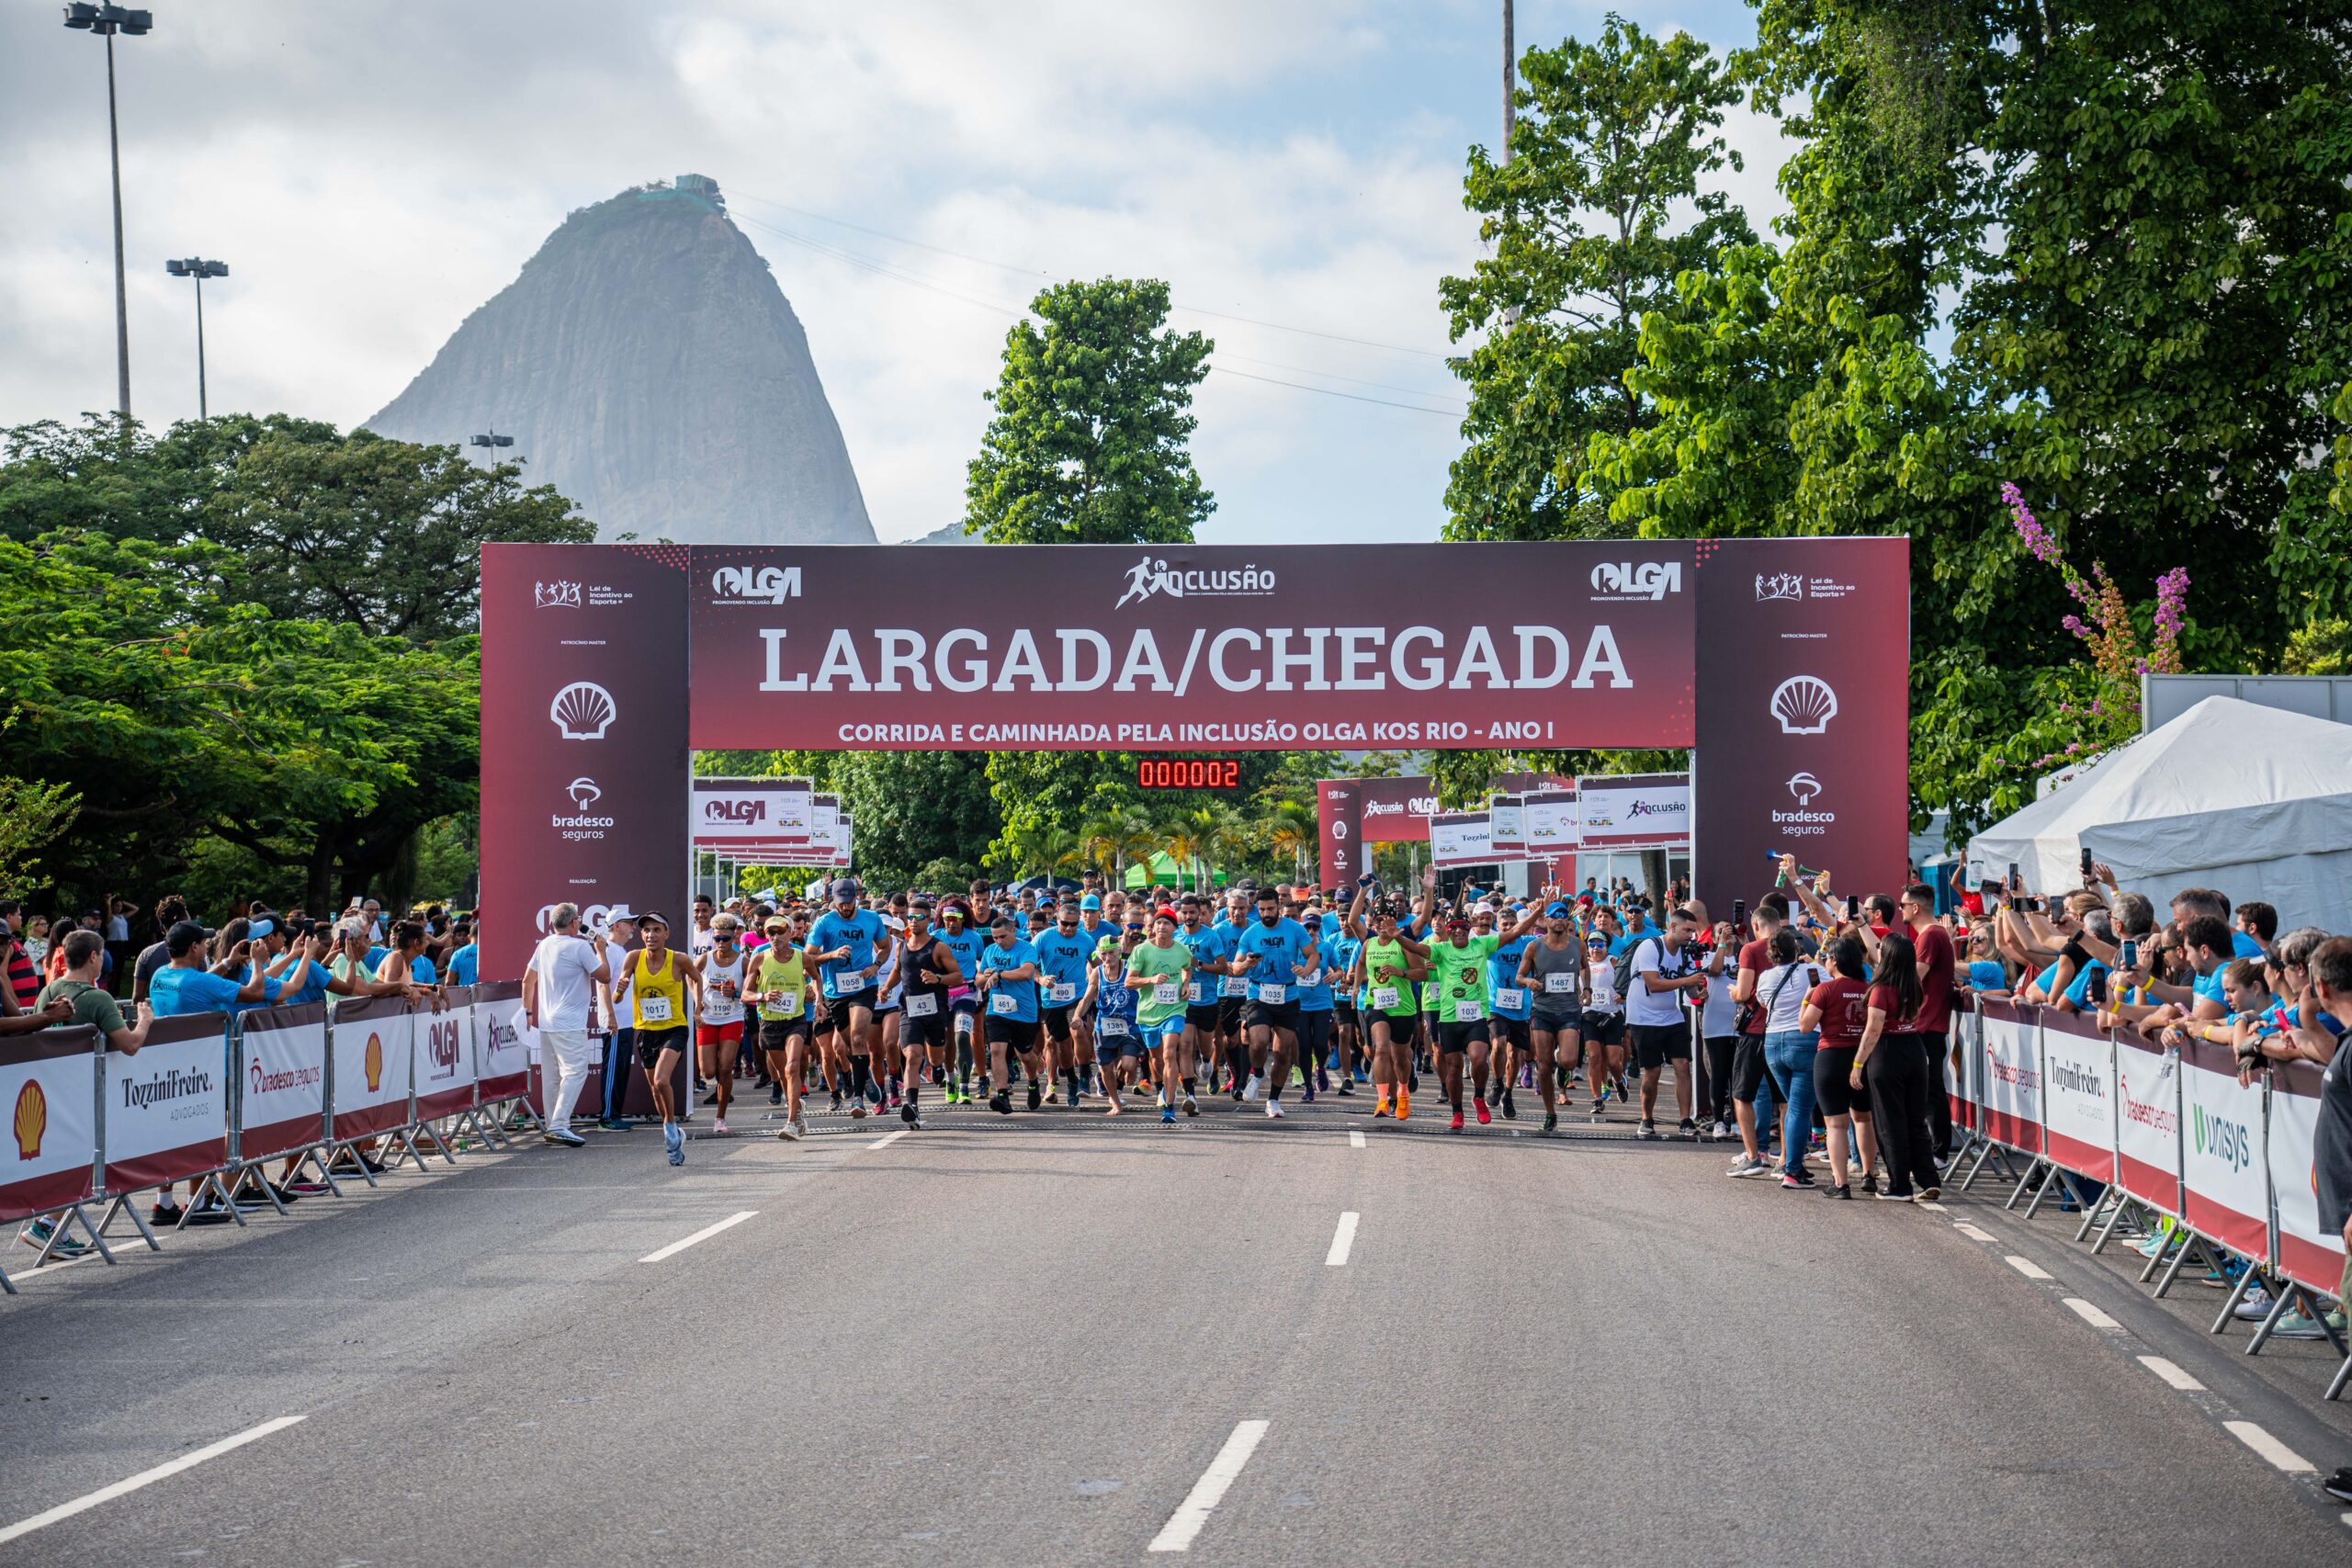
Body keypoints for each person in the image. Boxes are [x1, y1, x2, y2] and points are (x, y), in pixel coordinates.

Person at [1852, 931, 1939, 1201]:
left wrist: (1857, 1064)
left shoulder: (1881, 989)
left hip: (1887, 1052)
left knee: (1890, 1121)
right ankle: (1928, 1180)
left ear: (1887, 957)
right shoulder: (1913, 984)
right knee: (1915, 1120)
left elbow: (1873, 1031)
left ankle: (1899, 1185)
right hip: (1914, 1048)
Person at [523, 903, 611, 1148]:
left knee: (552, 1078)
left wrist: (529, 1012)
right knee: (575, 1072)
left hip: (548, 1021)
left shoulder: (545, 945)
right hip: (569, 1023)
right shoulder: (580, 946)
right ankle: (559, 1125)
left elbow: (527, 981)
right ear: (574, 923)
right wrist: (601, 950)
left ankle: (555, 1127)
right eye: (578, 920)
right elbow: (604, 976)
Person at [618, 912, 702, 1165]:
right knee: (655, 1089)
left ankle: (669, 1124)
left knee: (661, 1080)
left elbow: (696, 979)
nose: (650, 935)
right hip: (645, 1030)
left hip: (674, 1028)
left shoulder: (679, 959)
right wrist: (619, 989)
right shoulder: (634, 957)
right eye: (646, 931)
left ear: (666, 934)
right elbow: (618, 991)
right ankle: (673, 1136)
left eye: (656, 930)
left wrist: (698, 1007)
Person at [1799, 935, 1878, 1199]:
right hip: (1861, 1058)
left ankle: (1841, 1183)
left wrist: (1807, 999)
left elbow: (1805, 1026)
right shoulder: (1868, 988)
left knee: (1835, 1125)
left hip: (1831, 1057)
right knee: (1864, 1118)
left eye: (1827, 958)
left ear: (1834, 960)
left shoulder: (1825, 989)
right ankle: (1869, 1174)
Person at [1231, 886, 1317, 1120]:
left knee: (1282, 1053)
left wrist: (1306, 970)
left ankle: (1273, 1100)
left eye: (1270, 909)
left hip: (1288, 996)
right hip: (1259, 994)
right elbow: (1235, 967)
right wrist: (1247, 964)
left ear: (1278, 908)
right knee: (1258, 1043)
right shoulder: (1250, 933)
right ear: (1256, 910)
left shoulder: (1295, 929)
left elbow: (1313, 955)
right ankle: (1257, 1074)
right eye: (1262, 910)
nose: (1266, 913)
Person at [1753, 927, 1826, 1188]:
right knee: (1798, 1108)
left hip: (1772, 1042)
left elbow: (1763, 1003)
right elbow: (1829, 991)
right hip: (1804, 1040)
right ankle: (1792, 1170)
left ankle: (1794, 1165)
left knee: (1795, 1106)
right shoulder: (1812, 971)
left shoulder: (1765, 977)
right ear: (1796, 950)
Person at [808, 879, 887, 1118]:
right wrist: (832, 954)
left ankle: (859, 1098)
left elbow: (885, 945)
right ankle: (866, 1077)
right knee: (849, 1047)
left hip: (864, 986)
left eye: (848, 902)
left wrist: (876, 965)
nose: (844, 908)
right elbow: (808, 958)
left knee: (858, 1037)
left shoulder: (871, 919)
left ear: (856, 897)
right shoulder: (824, 922)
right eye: (840, 903)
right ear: (834, 900)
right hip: (835, 992)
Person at [1626, 906, 1703, 1140]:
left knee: (1682, 1065)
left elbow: (1691, 989)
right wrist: (1687, 981)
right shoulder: (1650, 946)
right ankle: (1646, 1118)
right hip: (1643, 1017)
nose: (1691, 935)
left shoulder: (1685, 952)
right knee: (1653, 1070)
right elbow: (1654, 984)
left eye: (1693, 931)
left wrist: (1698, 990)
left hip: (1671, 1016)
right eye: (1687, 930)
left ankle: (1684, 1119)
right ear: (1672, 926)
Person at [1518, 901, 1585, 1135]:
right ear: (1546, 920)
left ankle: (1563, 1070)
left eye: (1563, 916)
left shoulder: (1578, 945)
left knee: (1568, 1061)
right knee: (1544, 1066)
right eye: (1554, 916)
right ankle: (1550, 1114)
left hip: (1568, 1011)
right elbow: (1519, 977)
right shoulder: (1535, 947)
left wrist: (1586, 989)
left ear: (1568, 921)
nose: (1559, 919)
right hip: (1542, 1011)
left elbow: (1584, 967)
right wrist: (1529, 982)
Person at [892, 899, 960, 1129]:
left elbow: (958, 977)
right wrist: (884, 989)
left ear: (929, 920)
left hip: (935, 1010)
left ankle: (939, 1068)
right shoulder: (900, 946)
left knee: (935, 1057)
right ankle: (912, 1107)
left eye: (919, 917)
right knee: (912, 1055)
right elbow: (896, 971)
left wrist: (938, 978)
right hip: (909, 1010)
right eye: (910, 917)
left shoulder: (938, 947)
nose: (913, 921)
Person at [1122, 908, 1194, 1124]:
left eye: (1167, 923)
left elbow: (1187, 968)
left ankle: (1169, 1108)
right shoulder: (1142, 951)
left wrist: (1186, 984)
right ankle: (1163, 1088)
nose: (1162, 926)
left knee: (1170, 1052)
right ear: (1152, 927)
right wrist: (1151, 980)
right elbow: (1129, 982)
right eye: (1158, 923)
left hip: (1174, 1009)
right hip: (1148, 1012)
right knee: (1157, 1057)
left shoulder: (1182, 950)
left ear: (1174, 928)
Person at [750, 916, 815, 1140]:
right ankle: (796, 1110)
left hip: (795, 1020)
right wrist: (763, 996)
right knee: (783, 1075)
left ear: (790, 934)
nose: (776, 937)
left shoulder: (802, 957)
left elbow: (816, 979)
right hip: (769, 1023)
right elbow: (746, 994)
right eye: (771, 933)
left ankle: (791, 1124)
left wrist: (817, 999)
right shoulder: (758, 959)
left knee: (792, 1068)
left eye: (780, 931)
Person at [974, 915, 1043, 1114]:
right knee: (996, 1050)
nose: (999, 942)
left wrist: (1000, 974)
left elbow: (1026, 973)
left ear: (1013, 930)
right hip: (997, 1009)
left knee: (1025, 1055)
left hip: (1023, 1011)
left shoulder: (1026, 948)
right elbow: (978, 979)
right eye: (995, 938)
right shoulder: (990, 950)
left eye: (1003, 936)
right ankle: (1002, 1095)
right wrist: (985, 976)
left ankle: (1032, 1082)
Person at [1033, 899, 1096, 1111]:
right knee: (1060, 1043)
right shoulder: (1043, 938)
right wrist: (1041, 979)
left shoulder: (1086, 940)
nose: (1069, 929)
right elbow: (1028, 965)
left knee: (1078, 1030)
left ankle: (1085, 1074)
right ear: (1056, 920)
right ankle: (1071, 1080)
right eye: (1065, 924)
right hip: (1051, 999)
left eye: (1073, 924)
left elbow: (1098, 964)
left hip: (1076, 996)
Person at [695, 914, 748, 1134]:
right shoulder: (705, 959)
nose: (721, 944)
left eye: (725, 939)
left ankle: (720, 1117)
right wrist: (697, 1004)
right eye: (717, 939)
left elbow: (751, 991)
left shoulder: (743, 961)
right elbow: (691, 978)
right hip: (708, 1019)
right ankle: (717, 1082)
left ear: (735, 936)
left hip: (732, 1018)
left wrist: (736, 992)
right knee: (708, 1072)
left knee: (726, 1067)